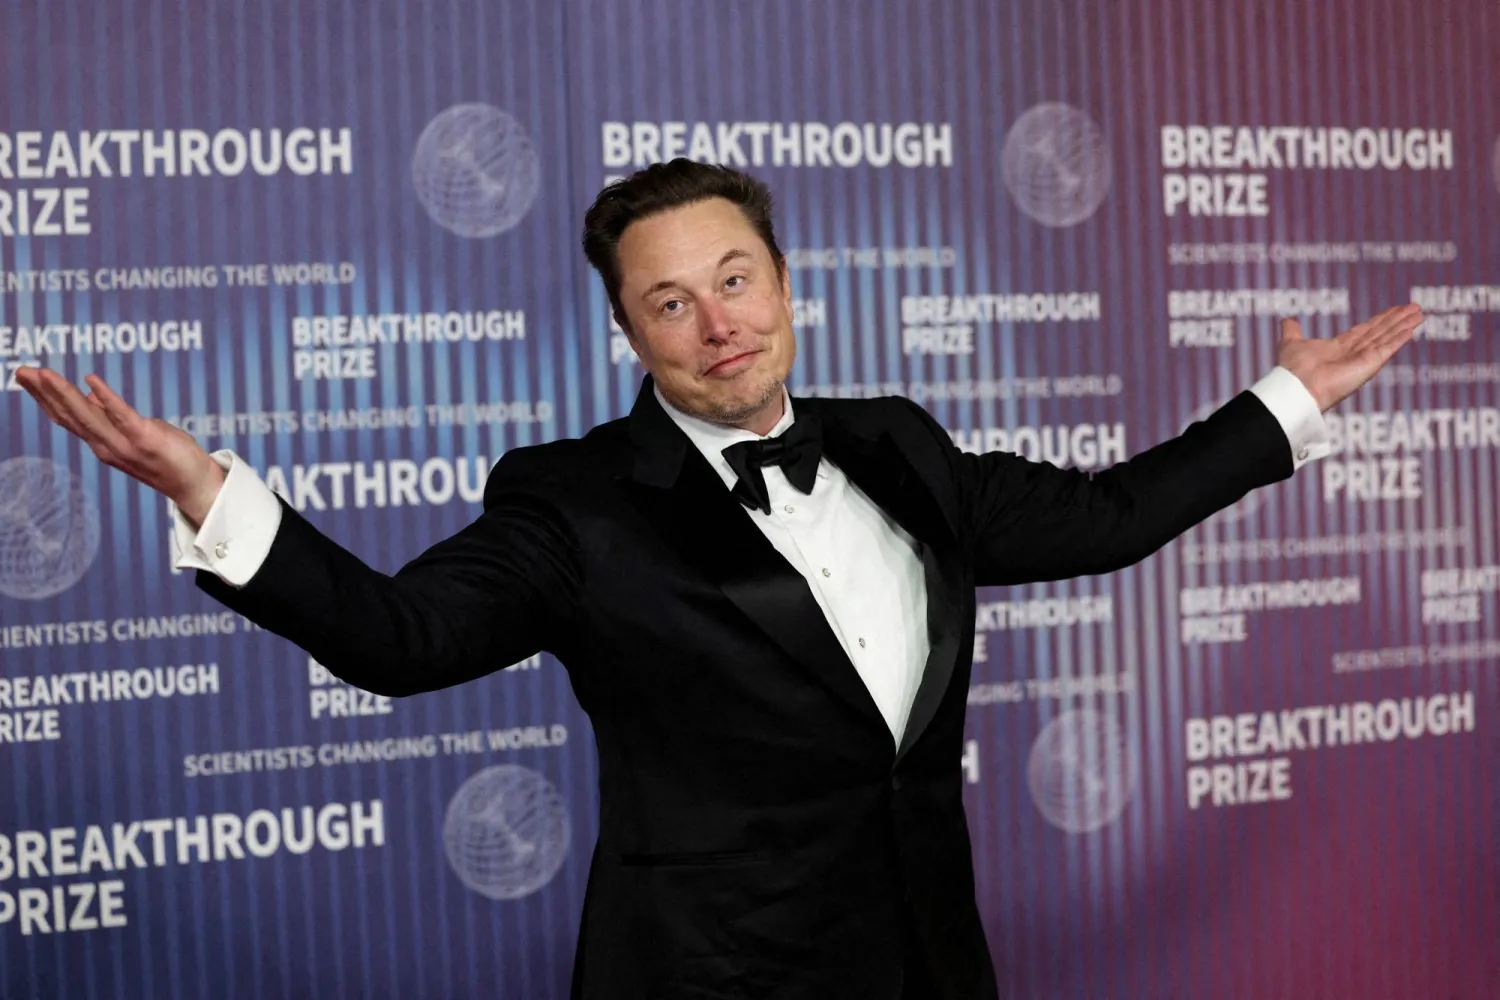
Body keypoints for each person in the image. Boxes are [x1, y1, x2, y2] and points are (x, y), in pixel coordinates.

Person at [17, 158, 1423, 999]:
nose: (717, 324)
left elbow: (1108, 517)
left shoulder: (899, 445)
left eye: (735, 279)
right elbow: (401, 637)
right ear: (629, 333)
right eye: (669, 301)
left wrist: (1285, 403)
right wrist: (211, 495)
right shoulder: (574, 502)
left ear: (787, 283)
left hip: (932, 963)